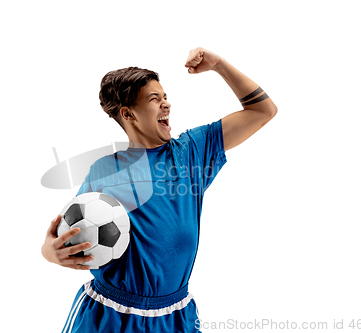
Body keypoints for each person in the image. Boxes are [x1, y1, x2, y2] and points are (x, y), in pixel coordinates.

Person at [41, 47, 278, 332]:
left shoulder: (192, 153)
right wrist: (48, 252)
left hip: (175, 315)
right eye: (155, 99)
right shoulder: (104, 171)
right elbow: (68, 233)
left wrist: (219, 65)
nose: (166, 104)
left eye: (165, 97)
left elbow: (263, 110)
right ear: (128, 113)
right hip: (110, 315)